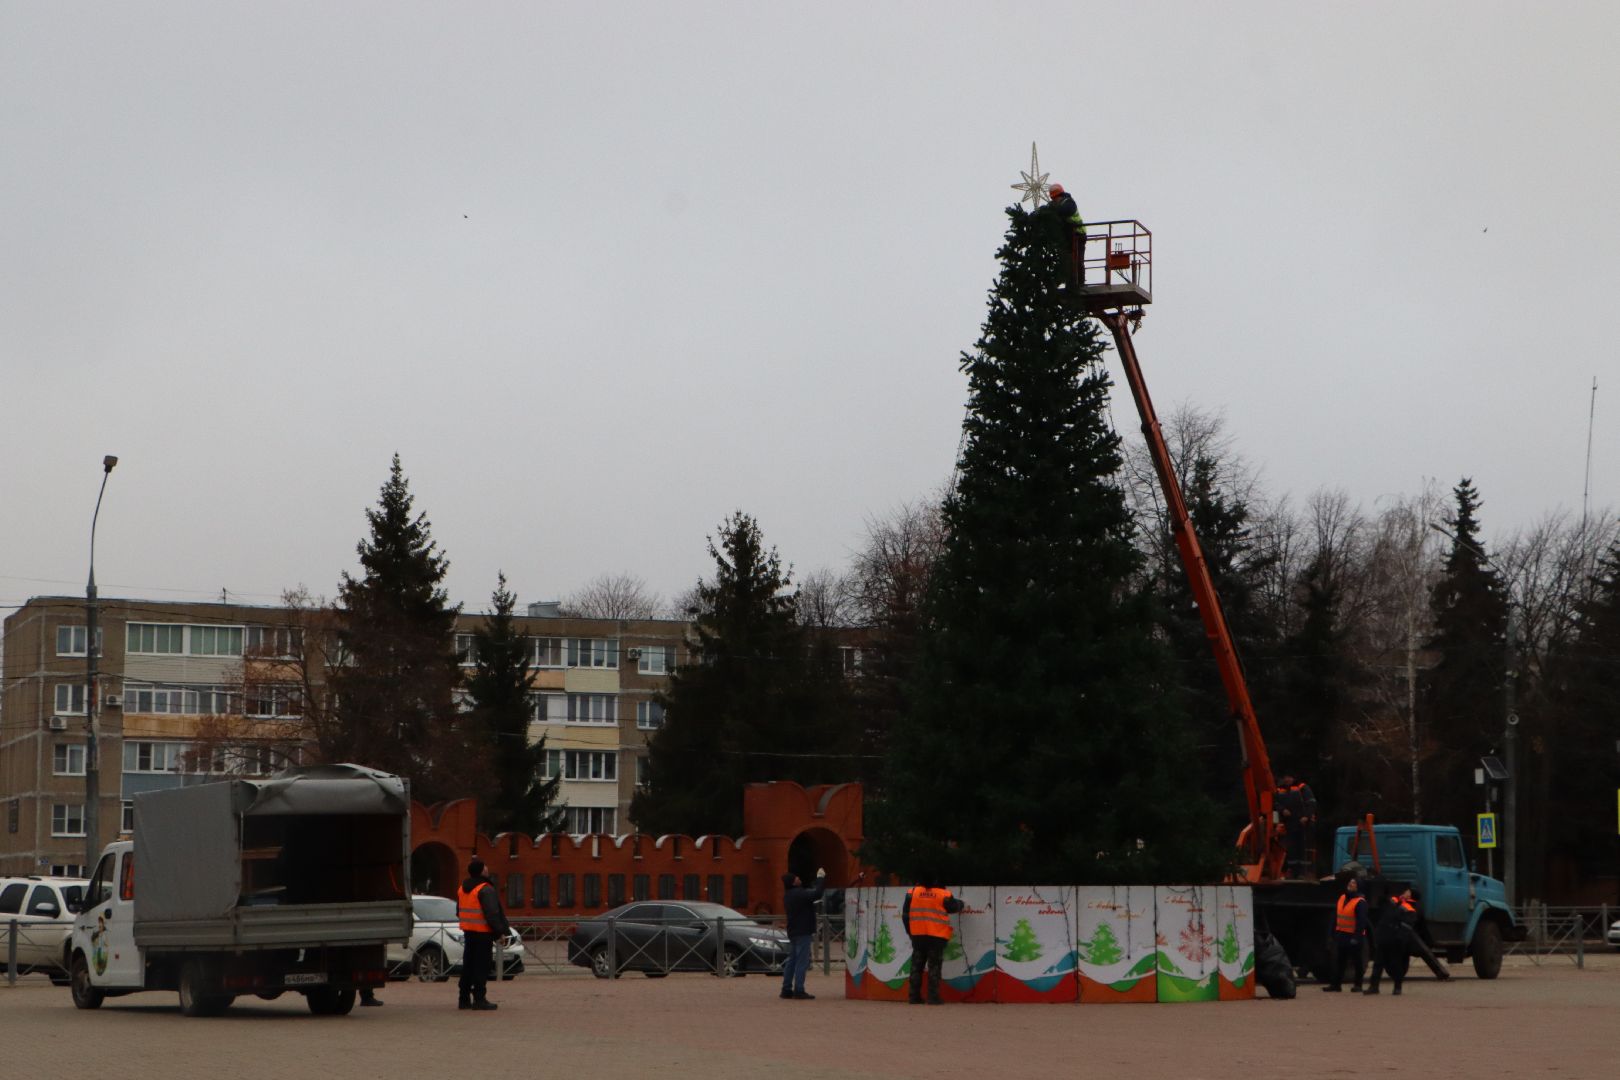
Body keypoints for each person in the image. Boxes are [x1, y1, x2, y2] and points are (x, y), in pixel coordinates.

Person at [457, 856, 510, 1011]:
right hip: (483, 934)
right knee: (481, 967)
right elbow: (492, 913)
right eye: (485, 867)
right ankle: (479, 999)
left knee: (468, 965)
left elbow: (458, 911)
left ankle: (463, 999)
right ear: (481, 871)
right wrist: (500, 932)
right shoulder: (485, 889)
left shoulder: (462, 888)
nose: (487, 869)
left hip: (468, 932)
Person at [902, 874, 964, 1005]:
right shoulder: (943, 894)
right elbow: (954, 907)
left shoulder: (912, 893)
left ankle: (913, 996)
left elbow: (905, 915)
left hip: (918, 936)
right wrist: (961, 904)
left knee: (916, 966)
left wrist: (910, 932)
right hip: (936, 937)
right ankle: (933, 997)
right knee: (934, 967)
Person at [779, 867, 827, 1000]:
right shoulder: (799, 893)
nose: (799, 879)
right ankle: (799, 989)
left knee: (792, 960)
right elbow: (817, 894)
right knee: (802, 961)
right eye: (797, 878)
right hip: (803, 931)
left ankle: (786, 988)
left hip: (793, 931)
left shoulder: (788, 895)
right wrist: (820, 878)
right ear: (794, 882)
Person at [1365, 887, 1418, 995]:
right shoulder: (1394, 901)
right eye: (1404, 891)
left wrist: (1399, 939)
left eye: (1407, 892)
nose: (1404, 893)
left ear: (1411, 896)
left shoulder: (1409, 908)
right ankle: (1374, 986)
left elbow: (1407, 926)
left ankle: (1397, 987)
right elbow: (1382, 907)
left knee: (1396, 964)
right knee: (1378, 963)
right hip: (1384, 936)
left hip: (1395, 940)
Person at [1323, 876, 1370, 992]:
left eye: (1354, 883)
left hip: (1354, 937)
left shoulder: (1360, 902)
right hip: (1342, 935)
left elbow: (1361, 922)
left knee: (1357, 961)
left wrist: (1356, 937)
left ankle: (1358, 985)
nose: (1351, 884)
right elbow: (1336, 916)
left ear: (1358, 887)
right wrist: (1333, 932)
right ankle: (1336, 984)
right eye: (1350, 882)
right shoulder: (1342, 898)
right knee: (1340, 961)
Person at [1039, 183, 1085, 284]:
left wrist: (1052, 211)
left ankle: (1080, 284)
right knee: (1067, 262)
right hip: (1067, 236)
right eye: (1053, 199)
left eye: (1055, 198)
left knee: (1077, 262)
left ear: (1060, 195)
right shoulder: (1055, 205)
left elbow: (1066, 211)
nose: (1054, 200)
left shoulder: (1069, 202)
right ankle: (1070, 283)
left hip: (1078, 235)